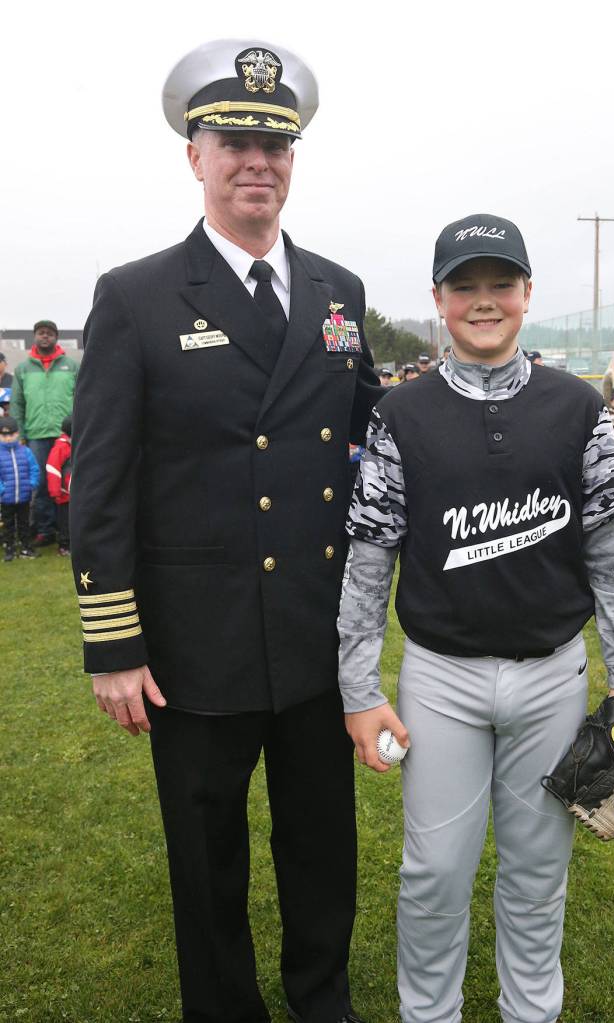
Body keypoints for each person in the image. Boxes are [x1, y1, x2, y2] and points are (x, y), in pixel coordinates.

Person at [70, 39, 380, 1023]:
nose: (257, 160)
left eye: (275, 144)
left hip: (315, 630)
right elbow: (102, 480)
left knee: (322, 842)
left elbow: (374, 426)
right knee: (207, 854)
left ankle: (320, 998)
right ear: (194, 157)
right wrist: (113, 642)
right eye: (234, 139)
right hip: (194, 640)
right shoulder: (137, 295)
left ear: (294, 161)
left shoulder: (338, 291)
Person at [338, 214, 614, 1023]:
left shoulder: (577, 405)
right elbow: (370, 561)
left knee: (538, 869)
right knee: (434, 871)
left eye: (499, 283)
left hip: (552, 672)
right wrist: (356, 685)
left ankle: (529, 1013)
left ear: (525, 293)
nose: (484, 301)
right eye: (464, 286)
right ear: (438, 298)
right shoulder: (400, 414)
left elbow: (610, 560)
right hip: (440, 676)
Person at [9, 320, 77, 545]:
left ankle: (69, 530)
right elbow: (17, 403)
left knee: (71, 482)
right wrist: (19, 434)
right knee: (40, 485)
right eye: (40, 333)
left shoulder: (71, 366)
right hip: (37, 434)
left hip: (68, 435)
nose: (44, 336)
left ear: (56, 337)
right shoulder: (22, 369)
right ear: (34, 337)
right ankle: (45, 530)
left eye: (49, 333)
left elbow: (82, 397)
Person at [0, 416, 40, 561]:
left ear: (17, 434)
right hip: (6, 498)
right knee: (8, 525)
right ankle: (9, 549)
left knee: (24, 524)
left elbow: (34, 469)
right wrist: (2, 490)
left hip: (24, 496)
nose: (8, 438)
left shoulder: (25, 451)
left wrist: (31, 484)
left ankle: (26, 548)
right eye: (4, 435)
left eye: (11, 434)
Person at [45, 415, 72, 556]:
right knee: (64, 522)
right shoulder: (61, 448)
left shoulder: (74, 445)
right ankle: (64, 545)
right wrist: (55, 491)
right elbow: (53, 469)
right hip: (64, 494)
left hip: (76, 494)